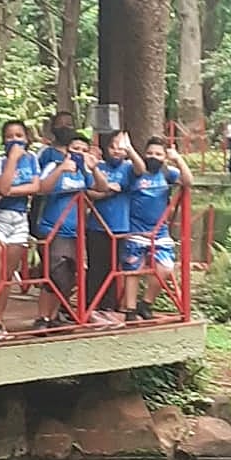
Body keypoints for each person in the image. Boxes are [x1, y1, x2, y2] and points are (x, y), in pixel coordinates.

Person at [34, 131, 105, 331]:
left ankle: (53, 315)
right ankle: (42, 317)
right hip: (53, 228)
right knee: (55, 275)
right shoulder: (54, 166)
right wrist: (61, 169)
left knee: (69, 276)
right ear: (67, 150)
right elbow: (42, 188)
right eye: (75, 149)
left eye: (83, 150)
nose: (79, 153)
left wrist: (94, 168)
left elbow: (102, 187)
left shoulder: (84, 172)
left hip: (76, 232)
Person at [122, 137, 193, 322]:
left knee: (166, 267)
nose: (153, 157)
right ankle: (129, 309)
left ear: (164, 157)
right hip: (136, 229)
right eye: (150, 153)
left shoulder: (167, 173)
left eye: (158, 154)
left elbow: (188, 181)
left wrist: (177, 159)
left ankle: (146, 303)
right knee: (133, 269)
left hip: (159, 231)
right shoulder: (135, 171)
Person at [0, 120, 40, 338]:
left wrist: (8, 190)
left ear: (26, 138)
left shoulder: (32, 159)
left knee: (6, 274)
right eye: (10, 136)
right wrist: (13, 160)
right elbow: (2, 186)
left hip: (19, 219)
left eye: (19, 135)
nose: (15, 140)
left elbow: (35, 187)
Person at [85, 131, 145, 326]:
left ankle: (108, 308)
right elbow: (89, 191)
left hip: (121, 227)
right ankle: (91, 306)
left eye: (120, 147)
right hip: (98, 226)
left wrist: (130, 150)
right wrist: (108, 190)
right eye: (113, 147)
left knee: (114, 268)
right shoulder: (98, 167)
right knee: (97, 268)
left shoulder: (128, 168)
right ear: (105, 149)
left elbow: (141, 169)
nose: (117, 151)